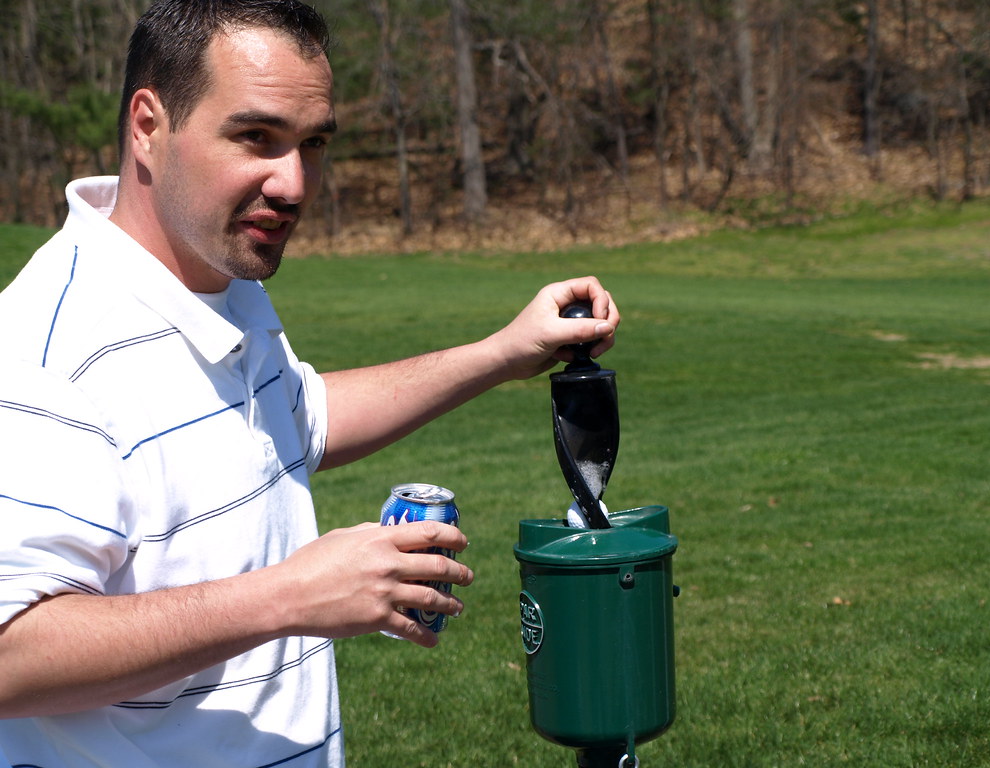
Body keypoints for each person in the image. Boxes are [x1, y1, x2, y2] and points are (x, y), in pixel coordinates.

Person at [0, 1, 618, 766]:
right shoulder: (47, 351)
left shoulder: (218, 277)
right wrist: (292, 596)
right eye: (255, 137)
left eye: (313, 143)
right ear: (149, 126)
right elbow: (10, 656)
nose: (293, 184)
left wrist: (502, 352)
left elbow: (300, 419)